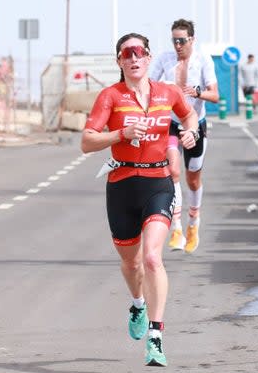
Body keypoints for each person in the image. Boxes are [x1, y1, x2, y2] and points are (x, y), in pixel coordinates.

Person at [81, 33, 200, 367]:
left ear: (149, 58)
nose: (134, 58)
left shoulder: (168, 92)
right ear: (119, 61)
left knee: (151, 258)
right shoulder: (110, 96)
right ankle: (137, 303)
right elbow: (87, 142)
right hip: (121, 185)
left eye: (140, 52)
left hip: (158, 182)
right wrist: (119, 134)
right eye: (126, 53)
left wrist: (191, 131)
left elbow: (188, 116)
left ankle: (156, 336)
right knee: (131, 263)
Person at [149, 19, 219, 254]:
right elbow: (149, 85)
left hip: (195, 124)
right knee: (173, 171)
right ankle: (176, 228)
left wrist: (197, 92)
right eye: (174, 41)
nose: (178, 45)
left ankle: (193, 223)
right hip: (171, 123)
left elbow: (215, 95)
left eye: (182, 41)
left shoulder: (203, 60)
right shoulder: (165, 59)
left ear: (192, 40)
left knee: (192, 179)